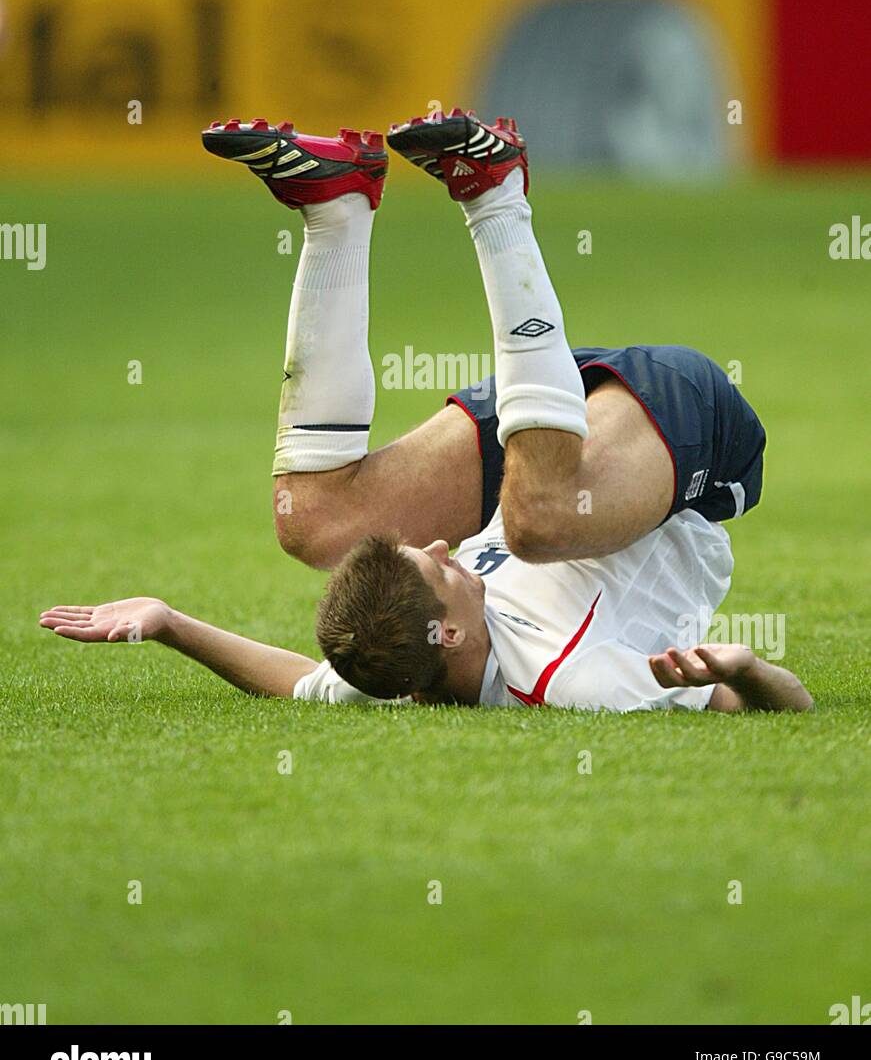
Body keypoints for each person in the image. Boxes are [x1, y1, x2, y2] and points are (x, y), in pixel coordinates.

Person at [40, 109, 812, 714]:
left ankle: (336, 211)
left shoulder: (392, 666)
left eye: (428, 553)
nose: (444, 545)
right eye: (437, 566)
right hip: (678, 431)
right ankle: (494, 194)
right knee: (537, 524)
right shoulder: (572, 683)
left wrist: (171, 623)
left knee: (310, 521)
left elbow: (303, 683)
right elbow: (774, 703)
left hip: (544, 414)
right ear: (446, 634)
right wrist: (750, 669)